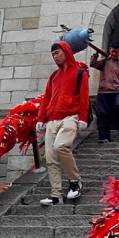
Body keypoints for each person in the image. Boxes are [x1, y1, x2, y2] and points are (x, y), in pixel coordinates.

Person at [36, 41, 89, 205]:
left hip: (70, 117)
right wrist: (41, 118)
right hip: (52, 119)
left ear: (66, 52)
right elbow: (47, 98)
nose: (55, 57)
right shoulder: (53, 76)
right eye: (53, 54)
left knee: (61, 146)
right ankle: (56, 195)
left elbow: (84, 96)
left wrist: (83, 118)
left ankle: (75, 181)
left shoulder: (80, 73)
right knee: (51, 158)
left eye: (57, 53)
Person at [90, 41, 119, 143]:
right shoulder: (104, 61)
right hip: (104, 92)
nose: (113, 54)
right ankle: (104, 137)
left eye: (116, 52)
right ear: (109, 50)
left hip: (118, 91)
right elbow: (93, 64)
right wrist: (96, 54)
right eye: (112, 52)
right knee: (103, 113)